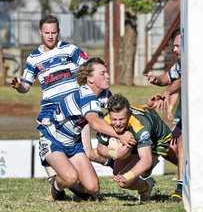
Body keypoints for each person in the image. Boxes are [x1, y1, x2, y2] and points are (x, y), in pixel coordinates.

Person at [36, 58, 135, 200]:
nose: (107, 75)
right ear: (90, 79)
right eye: (102, 73)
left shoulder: (105, 95)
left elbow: (121, 111)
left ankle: (66, 178)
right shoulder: (85, 94)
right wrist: (120, 136)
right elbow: (95, 123)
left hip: (73, 144)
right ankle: (56, 189)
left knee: (93, 188)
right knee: (70, 177)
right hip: (52, 139)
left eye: (106, 72)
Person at [10, 14, 90, 185]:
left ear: (58, 32)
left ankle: (74, 180)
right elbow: (26, 86)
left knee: (89, 178)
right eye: (47, 33)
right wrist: (18, 86)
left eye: (54, 32)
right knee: (68, 169)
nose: (50, 36)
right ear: (40, 32)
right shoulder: (33, 58)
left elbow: (90, 68)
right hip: (52, 112)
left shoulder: (70, 50)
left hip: (77, 110)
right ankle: (52, 167)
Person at [96, 94, 180, 202]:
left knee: (127, 178)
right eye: (114, 119)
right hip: (135, 138)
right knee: (117, 173)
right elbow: (100, 148)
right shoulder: (106, 120)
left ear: (128, 114)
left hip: (157, 140)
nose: (117, 124)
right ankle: (146, 186)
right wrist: (115, 154)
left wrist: (129, 175)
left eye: (121, 119)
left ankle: (185, 174)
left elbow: (146, 160)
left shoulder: (140, 126)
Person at [145, 29, 183, 201]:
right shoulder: (180, 64)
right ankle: (189, 174)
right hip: (186, 115)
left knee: (180, 143)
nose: (175, 50)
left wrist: (167, 92)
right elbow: (168, 78)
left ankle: (182, 186)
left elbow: (182, 81)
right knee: (169, 144)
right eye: (174, 46)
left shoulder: (195, 60)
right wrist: (157, 81)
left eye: (178, 46)